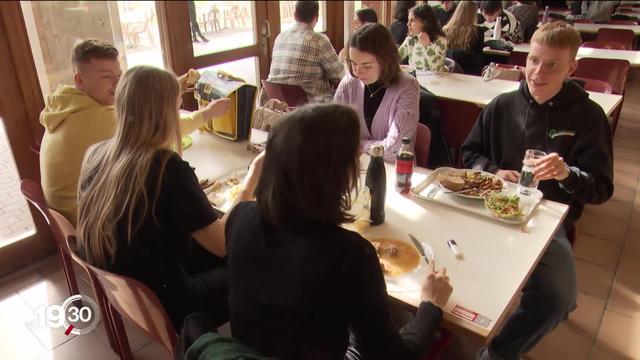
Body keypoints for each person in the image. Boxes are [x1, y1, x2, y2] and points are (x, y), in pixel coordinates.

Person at [224, 102, 453, 360]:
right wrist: (430, 305)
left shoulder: (238, 218)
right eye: (354, 157)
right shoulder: (349, 252)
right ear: (336, 175)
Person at [462, 22, 614, 360]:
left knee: (558, 298)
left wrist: (567, 174)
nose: (537, 73)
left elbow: (601, 188)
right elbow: (469, 154)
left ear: (572, 67)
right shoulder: (501, 105)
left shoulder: (589, 117)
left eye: (551, 65)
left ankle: (499, 353)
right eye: (532, 61)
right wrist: (493, 171)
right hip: (488, 206)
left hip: (545, 220)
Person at [74, 65, 264, 330]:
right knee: (258, 257)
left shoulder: (96, 152)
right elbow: (223, 243)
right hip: (170, 303)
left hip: (129, 289)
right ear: (163, 115)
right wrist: (252, 177)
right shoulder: (165, 167)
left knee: (228, 246)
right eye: (176, 108)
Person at [39, 39, 230, 225]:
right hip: (100, 229)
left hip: (85, 221)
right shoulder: (98, 119)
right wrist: (208, 113)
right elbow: (162, 126)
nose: (117, 84)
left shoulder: (66, 106)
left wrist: (170, 88)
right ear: (79, 80)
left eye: (119, 75)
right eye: (106, 76)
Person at [335, 23, 420, 162]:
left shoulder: (408, 86)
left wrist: (357, 145)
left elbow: (394, 149)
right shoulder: (349, 82)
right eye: (353, 63)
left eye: (367, 66)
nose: (357, 72)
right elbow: (332, 132)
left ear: (385, 61)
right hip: (356, 165)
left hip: (395, 171)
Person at [267, 1, 345, 100]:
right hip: (309, 109)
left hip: (278, 107)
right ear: (316, 17)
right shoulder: (318, 40)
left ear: (294, 15)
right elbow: (341, 76)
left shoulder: (280, 37)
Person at [398, 4, 448, 72]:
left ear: (425, 22)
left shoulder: (440, 41)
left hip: (435, 81)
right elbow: (395, 58)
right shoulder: (410, 40)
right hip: (416, 80)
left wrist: (427, 46)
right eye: (408, 20)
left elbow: (438, 70)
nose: (408, 24)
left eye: (412, 20)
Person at [443, 1, 486, 75]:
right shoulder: (477, 31)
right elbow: (479, 58)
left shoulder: (445, 29)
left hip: (448, 70)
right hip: (469, 72)